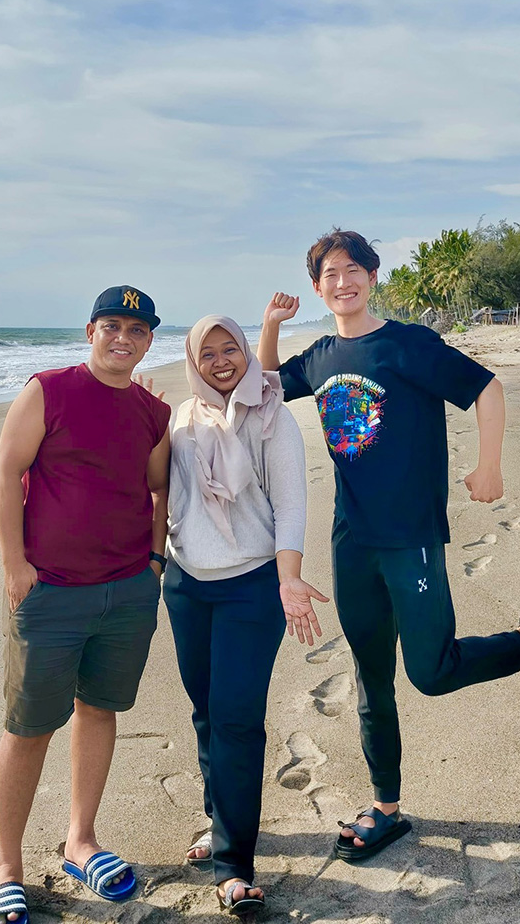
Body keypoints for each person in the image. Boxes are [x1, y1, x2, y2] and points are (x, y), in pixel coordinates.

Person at [258, 229, 520, 862]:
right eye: (330, 274)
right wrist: (271, 325)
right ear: (318, 288)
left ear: (372, 276)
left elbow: (486, 388)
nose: (342, 282)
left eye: (352, 269)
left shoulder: (407, 344)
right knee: (371, 678)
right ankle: (386, 808)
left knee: (431, 672)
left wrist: (489, 464)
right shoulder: (320, 355)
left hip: (410, 535)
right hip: (351, 540)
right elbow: (267, 385)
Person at [0, 286, 171, 924]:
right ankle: (7, 867)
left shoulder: (152, 410)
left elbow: (159, 487)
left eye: (137, 330)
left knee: (99, 710)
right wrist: (14, 565)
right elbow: (6, 471)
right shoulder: (48, 390)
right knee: (29, 726)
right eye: (112, 325)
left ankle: (80, 841)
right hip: (52, 590)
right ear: (91, 331)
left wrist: (153, 562)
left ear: (149, 340)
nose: (124, 338)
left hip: (127, 590)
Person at [164, 315, 329, 916]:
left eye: (229, 348)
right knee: (206, 711)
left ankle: (233, 862)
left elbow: (291, 504)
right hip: (186, 585)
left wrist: (289, 578)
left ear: (245, 351)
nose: (220, 361)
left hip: (252, 586)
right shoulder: (181, 419)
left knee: (236, 717)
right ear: (193, 361)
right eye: (206, 353)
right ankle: (220, 820)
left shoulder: (272, 417)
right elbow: (160, 493)